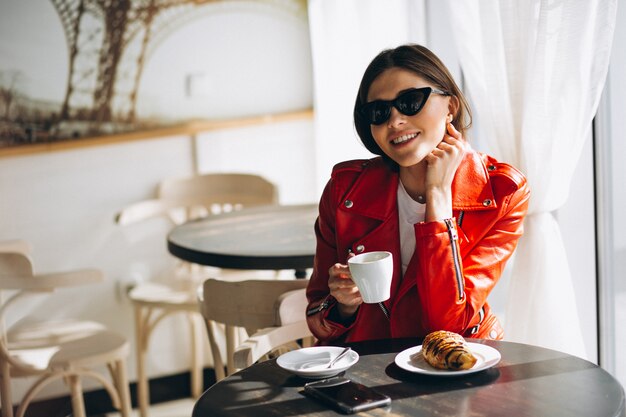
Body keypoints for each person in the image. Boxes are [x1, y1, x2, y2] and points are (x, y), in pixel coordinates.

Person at [305, 44, 530, 344]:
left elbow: (447, 325)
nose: (395, 121)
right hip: (366, 370)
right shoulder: (343, 190)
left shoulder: (503, 194)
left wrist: (437, 195)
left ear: (450, 106)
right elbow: (317, 319)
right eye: (379, 111)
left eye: (410, 101)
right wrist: (343, 306)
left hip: (455, 368)